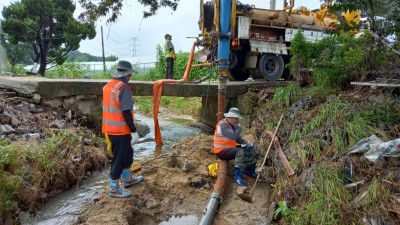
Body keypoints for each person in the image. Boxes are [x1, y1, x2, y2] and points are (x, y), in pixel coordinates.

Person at [102, 60, 144, 198]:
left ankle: (127, 179)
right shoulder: (123, 88)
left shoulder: (109, 86)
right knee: (119, 159)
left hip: (110, 129)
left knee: (127, 155)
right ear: (128, 74)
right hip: (120, 130)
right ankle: (114, 189)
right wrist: (134, 131)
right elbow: (126, 111)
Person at [213, 107, 257, 186]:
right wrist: (239, 128)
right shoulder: (223, 125)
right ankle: (237, 176)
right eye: (233, 118)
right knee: (240, 152)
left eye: (236, 118)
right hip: (221, 151)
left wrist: (247, 143)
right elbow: (233, 136)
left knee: (249, 148)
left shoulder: (232, 125)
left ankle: (250, 171)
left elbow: (237, 138)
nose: (235, 120)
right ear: (228, 117)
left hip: (229, 148)